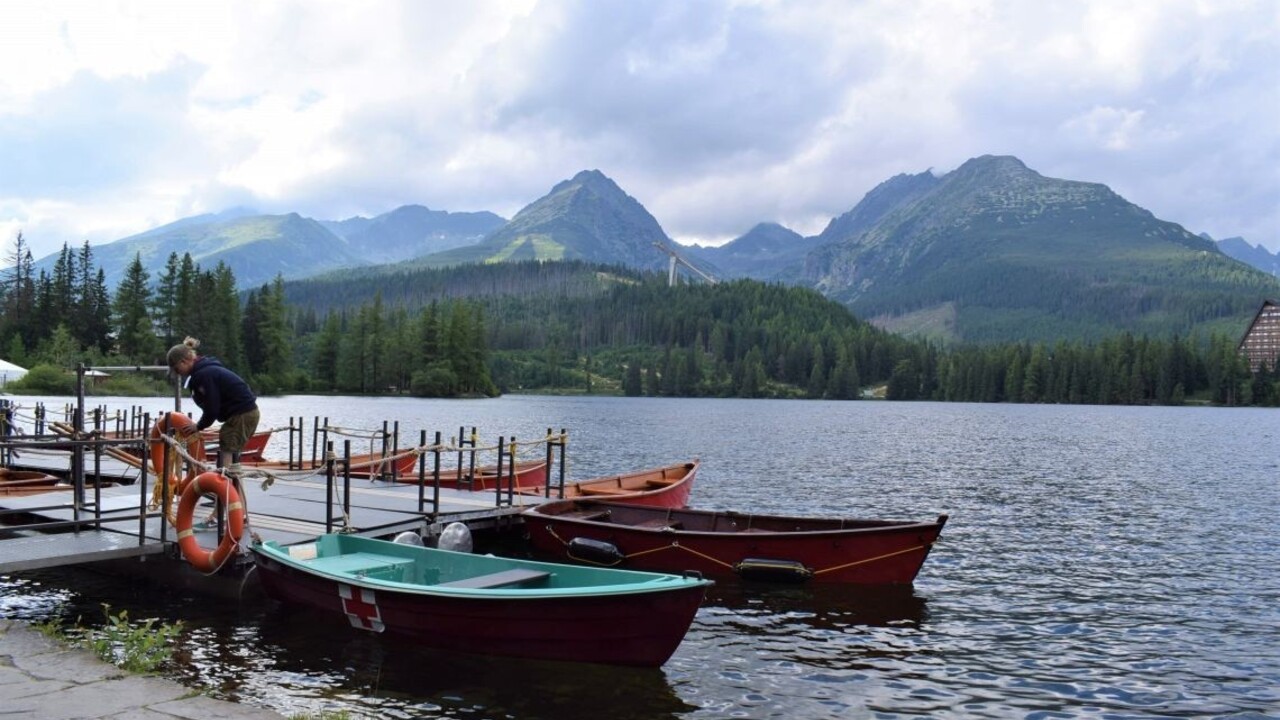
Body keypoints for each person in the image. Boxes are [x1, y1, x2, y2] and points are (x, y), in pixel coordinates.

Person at [166, 337, 260, 472]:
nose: (176, 373)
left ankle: (227, 487)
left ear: (184, 362)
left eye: (176, 369)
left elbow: (212, 408)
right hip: (245, 413)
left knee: (227, 453)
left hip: (242, 414)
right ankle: (231, 488)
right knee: (229, 452)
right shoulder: (205, 370)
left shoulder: (204, 375)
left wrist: (198, 426)